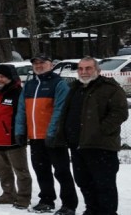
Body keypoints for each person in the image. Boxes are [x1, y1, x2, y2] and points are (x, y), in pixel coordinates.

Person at [54, 57, 128, 215]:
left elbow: (120, 112)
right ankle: (92, 210)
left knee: (104, 184)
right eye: (81, 69)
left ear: (98, 70)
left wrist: (100, 131)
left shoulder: (110, 88)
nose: (84, 72)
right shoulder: (74, 87)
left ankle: (107, 212)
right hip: (77, 145)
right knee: (84, 182)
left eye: (88, 68)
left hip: (101, 146)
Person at [15, 54, 77, 214]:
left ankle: (69, 204)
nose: (39, 65)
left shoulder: (58, 84)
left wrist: (52, 133)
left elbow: (60, 110)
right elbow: (21, 110)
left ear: (51, 65)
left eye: (43, 62)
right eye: (36, 63)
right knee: (41, 171)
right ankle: (47, 199)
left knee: (62, 171)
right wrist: (20, 130)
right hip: (35, 138)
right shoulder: (29, 85)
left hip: (54, 138)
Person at [0, 65, 32, 210]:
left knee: (21, 171)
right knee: (2, 170)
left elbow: (23, 116)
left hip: (13, 140)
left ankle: (24, 197)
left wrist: (21, 134)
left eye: (2, 77)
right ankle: (8, 193)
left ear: (9, 78)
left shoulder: (17, 93)